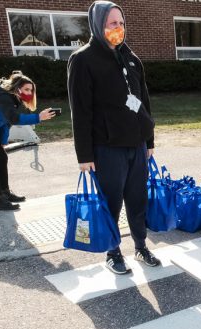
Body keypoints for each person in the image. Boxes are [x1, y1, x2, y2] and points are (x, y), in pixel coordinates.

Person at [67, 0, 160, 275]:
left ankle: (141, 246)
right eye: (112, 23)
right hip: (107, 147)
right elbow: (80, 111)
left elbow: (143, 102)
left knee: (137, 198)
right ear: (98, 25)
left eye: (121, 23)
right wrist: (84, 155)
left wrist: (150, 140)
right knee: (111, 202)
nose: (118, 28)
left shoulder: (131, 58)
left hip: (137, 144)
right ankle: (113, 251)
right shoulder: (83, 60)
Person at [0, 72, 56, 211]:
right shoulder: (2, 96)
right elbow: (14, 119)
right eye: (26, 89)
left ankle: (5, 194)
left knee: (2, 157)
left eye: (31, 90)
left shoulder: (13, 99)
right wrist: (38, 117)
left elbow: (6, 122)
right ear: (17, 88)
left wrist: (2, 141)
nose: (29, 93)